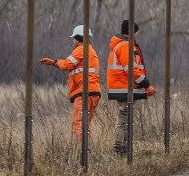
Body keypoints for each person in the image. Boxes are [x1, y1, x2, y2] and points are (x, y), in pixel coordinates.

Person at [40, 25, 101, 141]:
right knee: (85, 123)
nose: (73, 41)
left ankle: (81, 151)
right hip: (94, 92)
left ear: (78, 38)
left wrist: (53, 62)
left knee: (78, 123)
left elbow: (67, 65)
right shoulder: (91, 50)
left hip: (84, 92)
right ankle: (88, 150)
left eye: (73, 38)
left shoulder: (81, 50)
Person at [105, 21, 156, 155]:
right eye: (136, 32)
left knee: (126, 119)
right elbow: (131, 69)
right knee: (124, 119)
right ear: (132, 32)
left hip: (123, 87)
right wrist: (146, 84)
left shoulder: (122, 45)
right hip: (124, 88)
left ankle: (124, 150)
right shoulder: (126, 46)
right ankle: (119, 149)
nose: (138, 35)